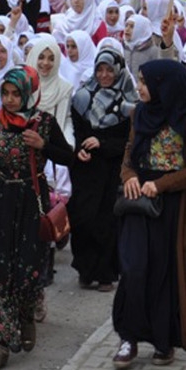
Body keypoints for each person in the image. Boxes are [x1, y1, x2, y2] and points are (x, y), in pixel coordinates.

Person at [0, 66, 73, 370]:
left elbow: (68, 156)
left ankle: (26, 317)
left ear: (28, 94)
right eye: (5, 93)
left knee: (26, 269)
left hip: (30, 204)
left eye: (16, 94)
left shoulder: (44, 123)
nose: (10, 100)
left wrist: (43, 146)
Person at [111, 60, 186, 370]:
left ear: (164, 86)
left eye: (145, 82)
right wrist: (128, 175)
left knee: (163, 273)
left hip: (171, 209)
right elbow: (129, 154)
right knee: (132, 268)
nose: (140, 87)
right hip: (137, 204)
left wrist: (163, 184)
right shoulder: (138, 113)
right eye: (140, 81)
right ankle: (128, 337)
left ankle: (163, 340)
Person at [68, 48, 138, 292]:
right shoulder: (82, 98)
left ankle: (106, 273)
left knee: (106, 221)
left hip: (112, 169)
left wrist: (103, 143)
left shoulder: (129, 103)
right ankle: (86, 268)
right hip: (86, 168)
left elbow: (130, 142)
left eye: (110, 70)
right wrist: (79, 149)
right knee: (82, 217)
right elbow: (74, 131)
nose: (105, 75)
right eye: (100, 69)